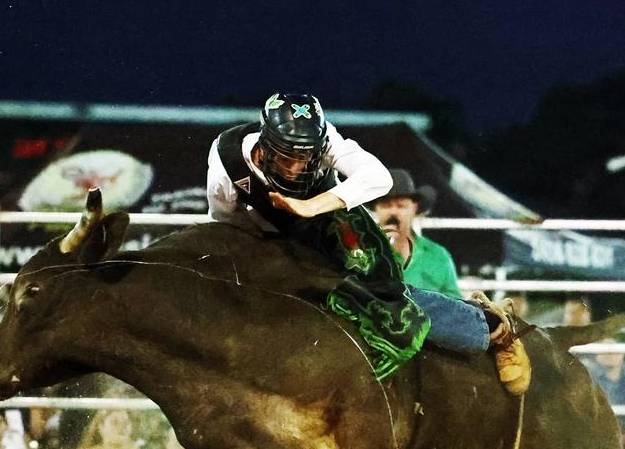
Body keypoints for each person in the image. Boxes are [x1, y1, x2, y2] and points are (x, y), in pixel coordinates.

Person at [206, 92, 530, 394]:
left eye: (306, 157)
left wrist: (312, 206)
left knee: (382, 298)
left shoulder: (328, 139)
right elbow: (224, 220)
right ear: (266, 145)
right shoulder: (228, 161)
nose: (295, 168)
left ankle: (493, 328)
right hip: (270, 236)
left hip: (331, 220)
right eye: (286, 157)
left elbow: (378, 176)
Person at [367, 169, 461, 298]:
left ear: (415, 209)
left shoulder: (437, 255)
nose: (393, 212)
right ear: (376, 209)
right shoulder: (360, 250)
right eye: (386, 205)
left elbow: (456, 304)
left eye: (401, 206)